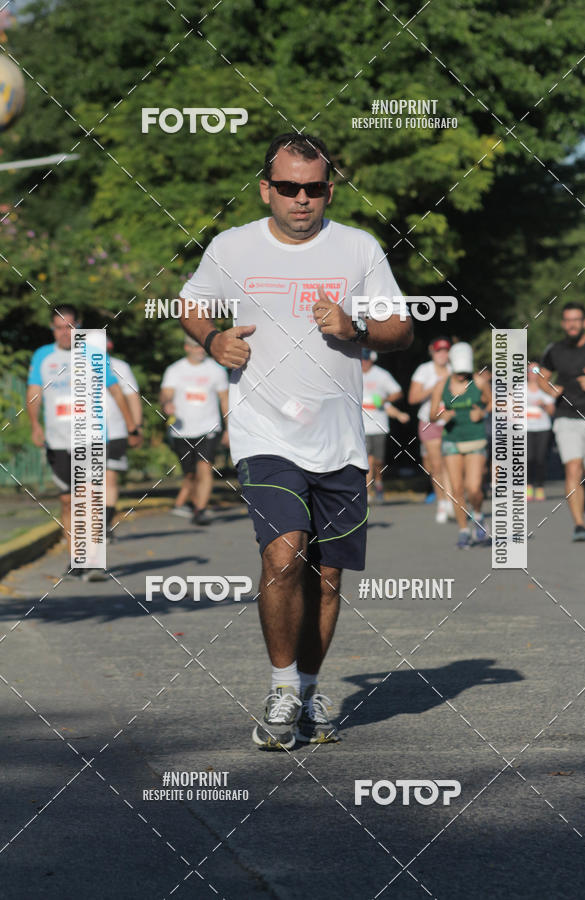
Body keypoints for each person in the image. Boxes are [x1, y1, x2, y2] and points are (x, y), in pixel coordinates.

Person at [178, 132, 412, 749]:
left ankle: (310, 691)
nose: (301, 199)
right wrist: (212, 341)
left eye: (313, 188)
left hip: (339, 438)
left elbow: (400, 328)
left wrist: (355, 325)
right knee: (285, 554)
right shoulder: (233, 247)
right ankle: (282, 691)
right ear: (267, 189)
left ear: (328, 190)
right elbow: (192, 304)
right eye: (288, 187)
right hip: (264, 432)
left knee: (327, 577)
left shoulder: (358, 248)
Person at [27, 306, 142, 579]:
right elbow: (34, 392)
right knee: (68, 501)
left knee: (88, 497)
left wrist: (130, 424)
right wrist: (34, 424)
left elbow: (115, 391)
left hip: (91, 438)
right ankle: (76, 558)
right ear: (51, 328)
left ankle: (92, 559)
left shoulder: (93, 353)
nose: (64, 333)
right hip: (57, 440)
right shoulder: (42, 356)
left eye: (69, 327)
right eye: (58, 328)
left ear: (78, 327)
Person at [539, 302, 585, 541]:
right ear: (563, 324)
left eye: (576, 319)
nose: (572, 324)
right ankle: (579, 525)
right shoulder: (554, 350)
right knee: (572, 468)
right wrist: (549, 388)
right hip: (566, 417)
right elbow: (540, 376)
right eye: (568, 320)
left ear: (584, 322)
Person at [160, 336, 229, 525]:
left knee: (204, 467)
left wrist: (228, 428)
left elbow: (224, 399)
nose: (201, 350)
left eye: (203, 347)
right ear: (186, 348)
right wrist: (167, 404)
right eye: (196, 347)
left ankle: (200, 510)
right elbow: (166, 394)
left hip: (209, 427)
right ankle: (187, 503)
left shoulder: (216, 370)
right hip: (181, 430)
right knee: (190, 473)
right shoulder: (174, 370)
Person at [430, 342, 491, 549]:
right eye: (459, 372)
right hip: (452, 440)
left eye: (465, 371)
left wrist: (482, 412)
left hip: (475, 438)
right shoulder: (442, 385)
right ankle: (464, 530)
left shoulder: (480, 382)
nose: (462, 375)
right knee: (456, 489)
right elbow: (431, 414)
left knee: (473, 488)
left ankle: (480, 515)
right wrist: (442, 414)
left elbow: (492, 403)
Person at [408, 337, 453, 522]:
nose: (442, 354)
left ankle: (452, 502)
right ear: (432, 352)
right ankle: (442, 503)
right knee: (436, 465)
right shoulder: (424, 370)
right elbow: (412, 398)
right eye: (438, 351)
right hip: (429, 421)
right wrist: (434, 388)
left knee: (450, 463)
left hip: (451, 422)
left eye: (445, 350)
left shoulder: (455, 369)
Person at [105, 336, 143, 541]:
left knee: (110, 477)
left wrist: (135, 427)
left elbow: (132, 396)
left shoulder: (120, 367)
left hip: (116, 430)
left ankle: (105, 524)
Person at [361, 349, 409, 502]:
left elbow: (397, 393)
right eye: (361, 359)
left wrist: (384, 400)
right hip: (361, 426)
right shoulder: (353, 372)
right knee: (367, 460)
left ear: (372, 359)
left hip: (379, 425)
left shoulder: (381, 375)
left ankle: (379, 482)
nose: (364, 363)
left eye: (366, 359)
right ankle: (367, 493)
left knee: (378, 462)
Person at [526, 362, 554, 501]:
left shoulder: (544, 389)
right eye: (530, 370)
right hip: (526, 428)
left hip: (543, 427)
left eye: (536, 370)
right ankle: (528, 485)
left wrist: (543, 404)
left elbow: (551, 410)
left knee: (540, 458)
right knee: (529, 458)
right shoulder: (520, 389)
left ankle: (540, 486)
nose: (533, 373)